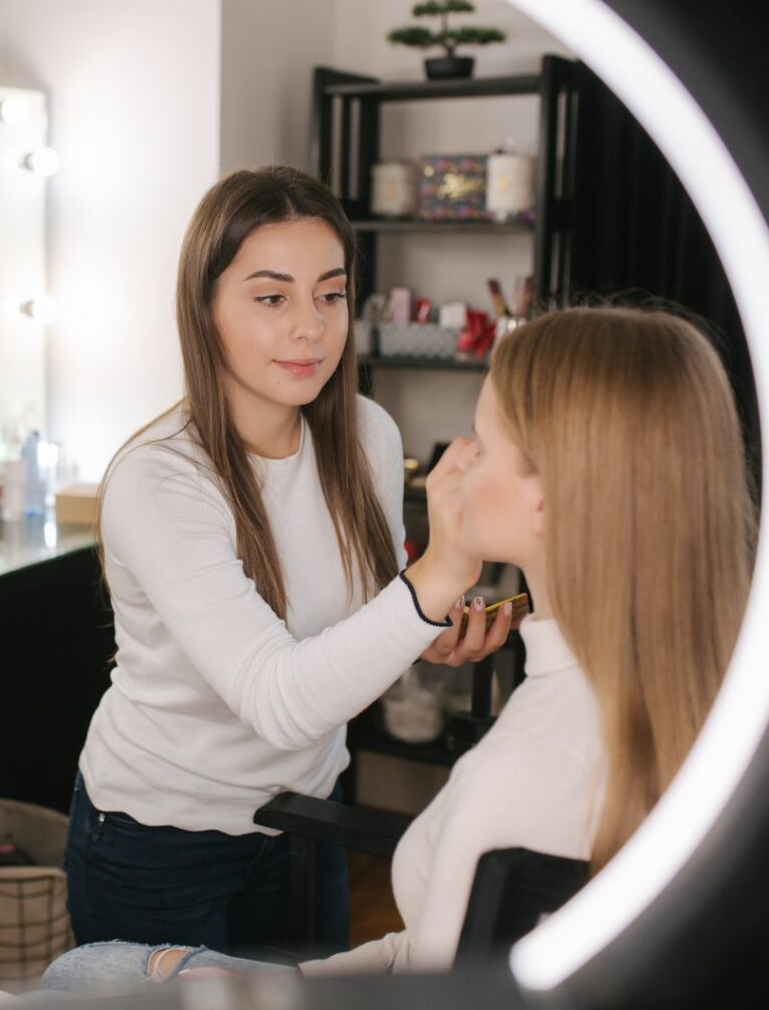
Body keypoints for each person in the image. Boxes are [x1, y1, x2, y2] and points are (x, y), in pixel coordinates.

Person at [40, 305, 754, 993]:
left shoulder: (526, 773)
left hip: (318, 833)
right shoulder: (682, 685)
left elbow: (431, 984)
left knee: (82, 975)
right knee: (89, 971)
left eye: (481, 439)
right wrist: (415, 622)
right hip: (169, 822)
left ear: (550, 497)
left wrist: (436, 577)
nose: (459, 460)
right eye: (271, 295)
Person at [64, 165, 516, 959]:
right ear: (205, 310)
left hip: (305, 816)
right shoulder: (161, 479)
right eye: (272, 298)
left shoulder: (367, 435)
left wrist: (428, 629)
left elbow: (366, 611)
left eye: (330, 294)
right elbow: (276, 699)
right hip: (159, 838)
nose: (311, 326)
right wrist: (438, 577)